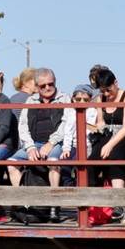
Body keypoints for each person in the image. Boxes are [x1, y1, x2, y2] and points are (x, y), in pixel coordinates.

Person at [11, 68, 76, 220]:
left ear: (55, 82)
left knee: (53, 161)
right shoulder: (31, 101)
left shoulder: (64, 99)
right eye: (43, 86)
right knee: (11, 163)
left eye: (50, 84)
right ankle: (22, 202)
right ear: (37, 86)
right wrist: (30, 147)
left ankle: (54, 205)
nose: (47, 88)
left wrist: (51, 143)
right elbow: (23, 125)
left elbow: (67, 125)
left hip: (57, 143)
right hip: (34, 143)